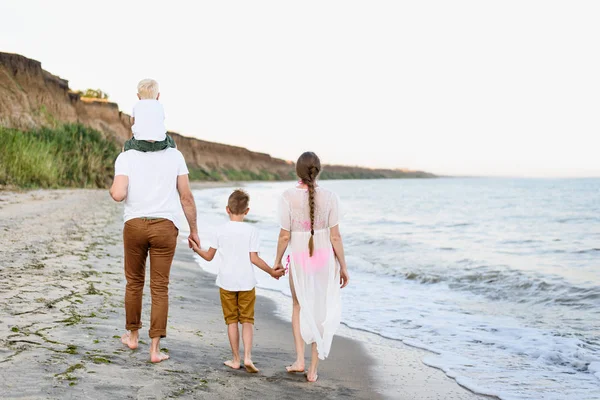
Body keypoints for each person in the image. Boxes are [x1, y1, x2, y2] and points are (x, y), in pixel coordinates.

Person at [109, 135, 200, 363]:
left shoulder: (126, 156)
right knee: (160, 287)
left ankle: (132, 336)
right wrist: (194, 230)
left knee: (134, 282)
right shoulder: (175, 156)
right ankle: (154, 350)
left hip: (135, 225)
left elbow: (118, 194)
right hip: (164, 227)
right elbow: (186, 197)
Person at [189, 189, 285, 373]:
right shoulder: (252, 231)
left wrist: (196, 248)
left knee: (232, 320)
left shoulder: (220, 230)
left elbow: (209, 257)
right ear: (247, 211)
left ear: (227, 209)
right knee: (247, 320)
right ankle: (248, 357)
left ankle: (235, 359)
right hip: (247, 283)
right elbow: (254, 258)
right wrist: (272, 272)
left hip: (226, 283)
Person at [273, 152, 350, 382]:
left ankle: (299, 360)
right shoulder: (331, 197)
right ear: (318, 170)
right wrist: (344, 267)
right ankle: (313, 370)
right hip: (324, 258)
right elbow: (335, 237)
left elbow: (284, 236)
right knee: (319, 309)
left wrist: (277, 261)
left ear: (298, 171)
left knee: (298, 306)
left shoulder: (287, 196)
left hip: (299, 258)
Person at [124, 78, 176, 152]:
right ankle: (175, 154)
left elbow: (132, 120)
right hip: (160, 143)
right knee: (172, 142)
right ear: (158, 96)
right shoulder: (160, 106)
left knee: (126, 145)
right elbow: (162, 119)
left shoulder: (137, 105)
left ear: (138, 96)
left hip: (141, 143)